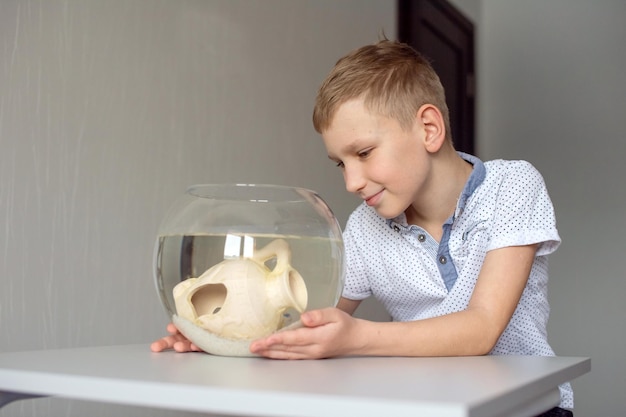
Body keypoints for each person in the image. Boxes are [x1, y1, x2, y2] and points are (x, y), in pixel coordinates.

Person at [151, 38, 573, 415]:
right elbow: (312, 326)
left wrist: (356, 337)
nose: (351, 182)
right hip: (424, 407)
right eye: (341, 164)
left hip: (528, 407)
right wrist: (218, 336)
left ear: (428, 128)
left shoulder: (512, 186)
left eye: (364, 153)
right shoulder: (365, 227)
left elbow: (481, 328)